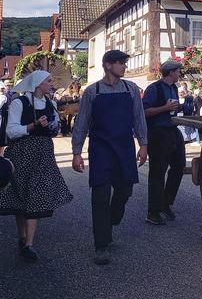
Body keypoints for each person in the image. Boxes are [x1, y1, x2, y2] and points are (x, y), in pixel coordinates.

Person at [72, 50, 148, 265]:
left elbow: (138, 119)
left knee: (125, 190)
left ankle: (114, 217)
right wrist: (77, 152)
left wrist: (143, 144)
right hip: (100, 150)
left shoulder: (131, 89)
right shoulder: (92, 92)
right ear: (108, 65)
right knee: (100, 197)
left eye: (125, 63)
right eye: (121, 63)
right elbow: (82, 123)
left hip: (124, 147)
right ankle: (102, 245)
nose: (125, 67)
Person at [0, 70, 72, 262]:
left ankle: (29, 244)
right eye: (48, 80)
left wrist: (54, 126)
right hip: (21, 153)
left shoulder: (51, 103)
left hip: (43, 154)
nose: (51, 83)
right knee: (21, 196)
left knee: (36, 194)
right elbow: (12, 130)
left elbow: (53, 131)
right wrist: (32, 126)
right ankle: (22, 237)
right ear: (38, 83)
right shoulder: (19, 103)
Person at [142, 59, 186, 226]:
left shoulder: (174, 88)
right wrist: (164, 109)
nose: (179, 74)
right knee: (157, 172)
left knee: (179, 166)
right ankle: (153, 212)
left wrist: (181, 108)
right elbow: (144, 111)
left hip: (172, 130)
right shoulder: (154, 88)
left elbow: (173, 109)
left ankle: (165, 203)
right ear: (171, 72)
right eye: (178, 71)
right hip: (158, 133)